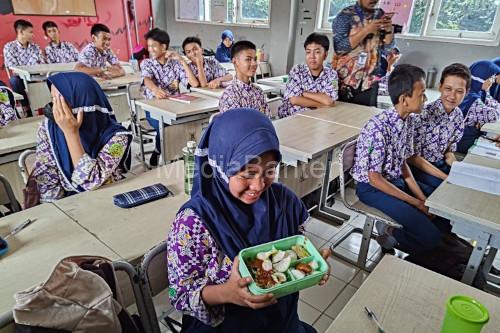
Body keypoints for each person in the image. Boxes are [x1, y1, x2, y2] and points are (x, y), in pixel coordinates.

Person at [167, 107, 330, 332]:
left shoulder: (285, 202)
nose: (259, 185)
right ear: (222, 167)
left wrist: (311, 263)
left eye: (270, 170)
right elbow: (180, 295)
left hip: (281, 322)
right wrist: (228, 293)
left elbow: (295, 247)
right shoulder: (193, 223)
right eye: (247, 173)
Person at [351, 64, 448, 254]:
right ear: (404, 99)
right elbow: (374, 179)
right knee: (431, 238)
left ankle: (441, 253)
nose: (425, 99)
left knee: (442, 214)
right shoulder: (378, 128)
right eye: (421, 94)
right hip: (373, 189)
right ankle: (388, 231)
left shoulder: (408, 120)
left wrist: (422, 200)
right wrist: (416, 204)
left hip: (395, 182)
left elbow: (403, 164)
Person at [32, 72, 132, 203]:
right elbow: (47, 177)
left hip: (109, 196)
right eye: (53, 99)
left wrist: (71, 134)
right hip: (70, 201)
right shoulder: (48, 129)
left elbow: (91, 181)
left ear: (82, 102)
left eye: (60, 101)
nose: (54, 108)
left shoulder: (118, 138)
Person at [140, 28, 199, 166]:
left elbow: (194, 83)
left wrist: (182, 60)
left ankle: (172, 154)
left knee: (187, 124)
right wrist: (155, 89)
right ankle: (160, 152)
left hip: (175, 107)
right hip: (154, 108)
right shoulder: (147, 63)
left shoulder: (175, 64)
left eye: (153, 46)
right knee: (165, 126)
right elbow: (146, 79)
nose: (150, 49)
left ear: (164, 46)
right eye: (149, 46)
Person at [409, 63, 470, 189]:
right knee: (449, 190)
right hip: (419, 169)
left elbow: (448, 151)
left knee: (467, 185)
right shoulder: (422, 115)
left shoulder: (458, 115)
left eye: (459, 91)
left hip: (440, 164)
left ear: (467, 92)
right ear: (440, 87)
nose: (452, 96)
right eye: (448, 89)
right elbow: (412, 158)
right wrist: (446, 177)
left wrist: (458, 169)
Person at [332, 0, 396, 106]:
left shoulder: (380, 15)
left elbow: (388, 49)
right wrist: (366, 30)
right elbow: (339, 47)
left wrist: (389, 30)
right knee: (340, 115)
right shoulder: (345, 16)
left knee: (366, 117)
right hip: (345, 80)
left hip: (370, 80)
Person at [278, 33, 338, 118]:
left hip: (320, 118)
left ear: (325, 55)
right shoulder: (297, 70)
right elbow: (294, 99)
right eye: (308, 52)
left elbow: (329, 100)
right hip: (292, 118)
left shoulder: (331, 74)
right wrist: (321, 104)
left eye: (317, 52)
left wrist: (303, 93)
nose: (312, 57)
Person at [3, 19, 45, 116]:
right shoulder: (9, 47)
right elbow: (13, 67)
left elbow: (41, 63)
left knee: (48, 78)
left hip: (35, 76)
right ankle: (27, 109)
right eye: (30, 32)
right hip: (20, 77)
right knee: (14, 80)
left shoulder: (35, 47)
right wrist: (31, 66)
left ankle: (46, 106)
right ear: (21, 32)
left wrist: (32, 69)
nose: (33, 35)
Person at [456, 60, 500, 153]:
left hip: (468, 136)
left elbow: (496, 106)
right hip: (461, 142)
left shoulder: (476, 92)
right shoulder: (472, 98)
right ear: (481, 77)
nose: (492, 82)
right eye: (491, 78)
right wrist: (487, 91)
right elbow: (495, 115)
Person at [218, 41, 270, 116]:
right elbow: (237, 127)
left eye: (255, 59)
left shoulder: (258, 91)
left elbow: (267, 120)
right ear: (235, 61)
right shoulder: (229, 96)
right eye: (248, 59)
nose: (254, 63)